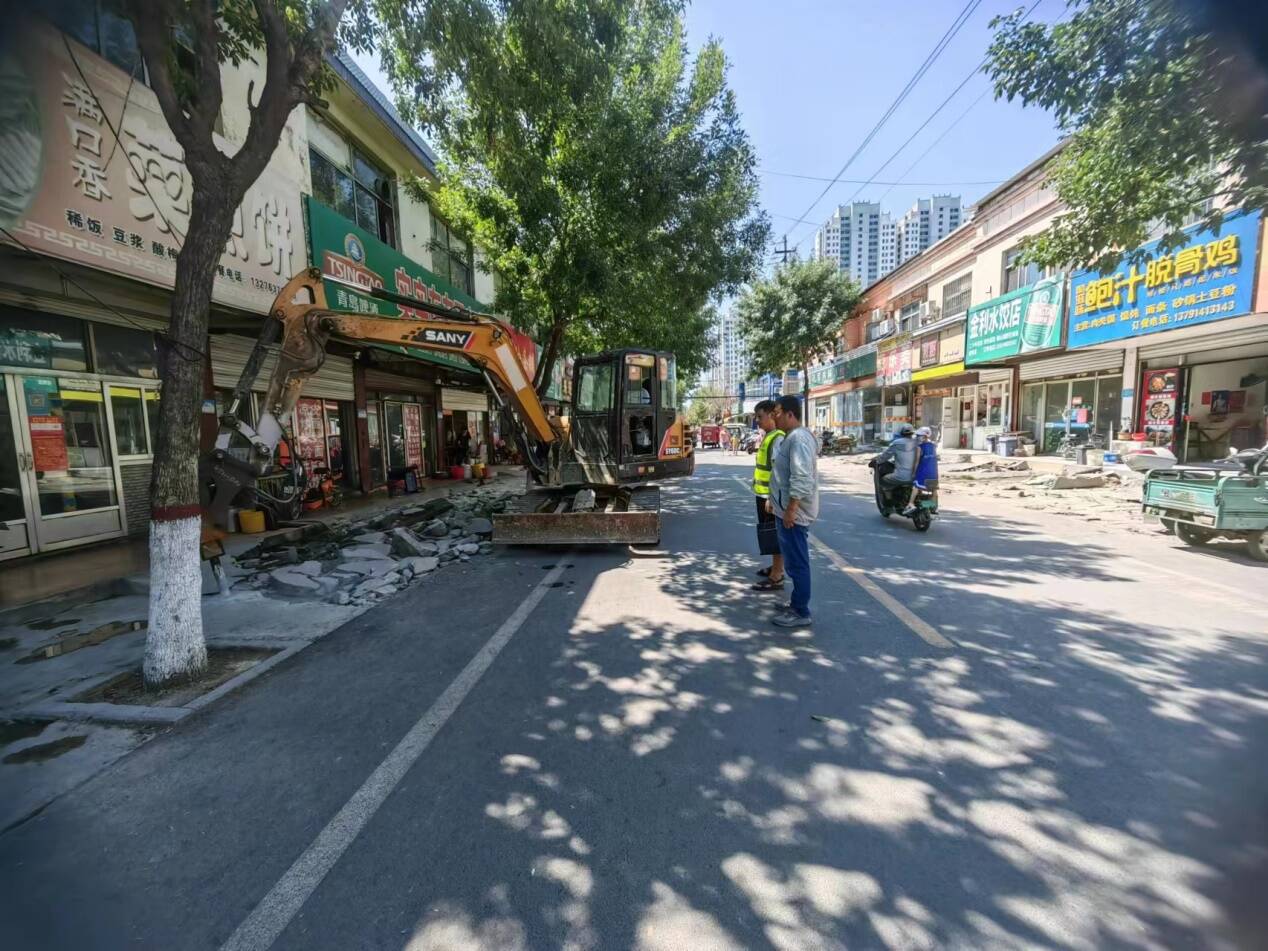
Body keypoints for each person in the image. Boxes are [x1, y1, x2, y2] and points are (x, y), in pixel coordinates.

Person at [768, 394, 818, 628]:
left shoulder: (798, 439)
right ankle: (796, 603)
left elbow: (801, 477)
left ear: (790, 414)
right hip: (786, 510)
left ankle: (801, 611)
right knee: (793, 562)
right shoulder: (792, 438)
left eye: (776, 412)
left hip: (794, 514)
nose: (773, 417)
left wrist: (791, 509)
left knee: (797, 563)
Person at [749, 401, 785, 592]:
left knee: (774, 534)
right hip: (763, 494)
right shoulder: (769, 436)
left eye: (760, 416)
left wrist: (772, 498)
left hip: (770, 498)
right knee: (769, 533)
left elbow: (778, 472)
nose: (757, 421)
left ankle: (777, 576)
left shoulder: (777, 438)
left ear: (772, 415)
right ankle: (776, 567)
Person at [879, 423, 919, 503]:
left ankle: (889, 503)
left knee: (883, 480)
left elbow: (885, 456)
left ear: (901, 432)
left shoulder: (896, 443)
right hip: (917, 477)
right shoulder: (918, 443)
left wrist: (878, 460)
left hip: (901, 476)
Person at [906, 426, 939, 515]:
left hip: (923, 471)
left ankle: (911, 504)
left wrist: (913, 472)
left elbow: (916, 461)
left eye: (919, 435)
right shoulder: (934, 446)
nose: (917, 437)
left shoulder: (919, 447)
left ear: (925, 436)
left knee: (916, 487)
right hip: (934, 472)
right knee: (934, 489)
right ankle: (934, 507)